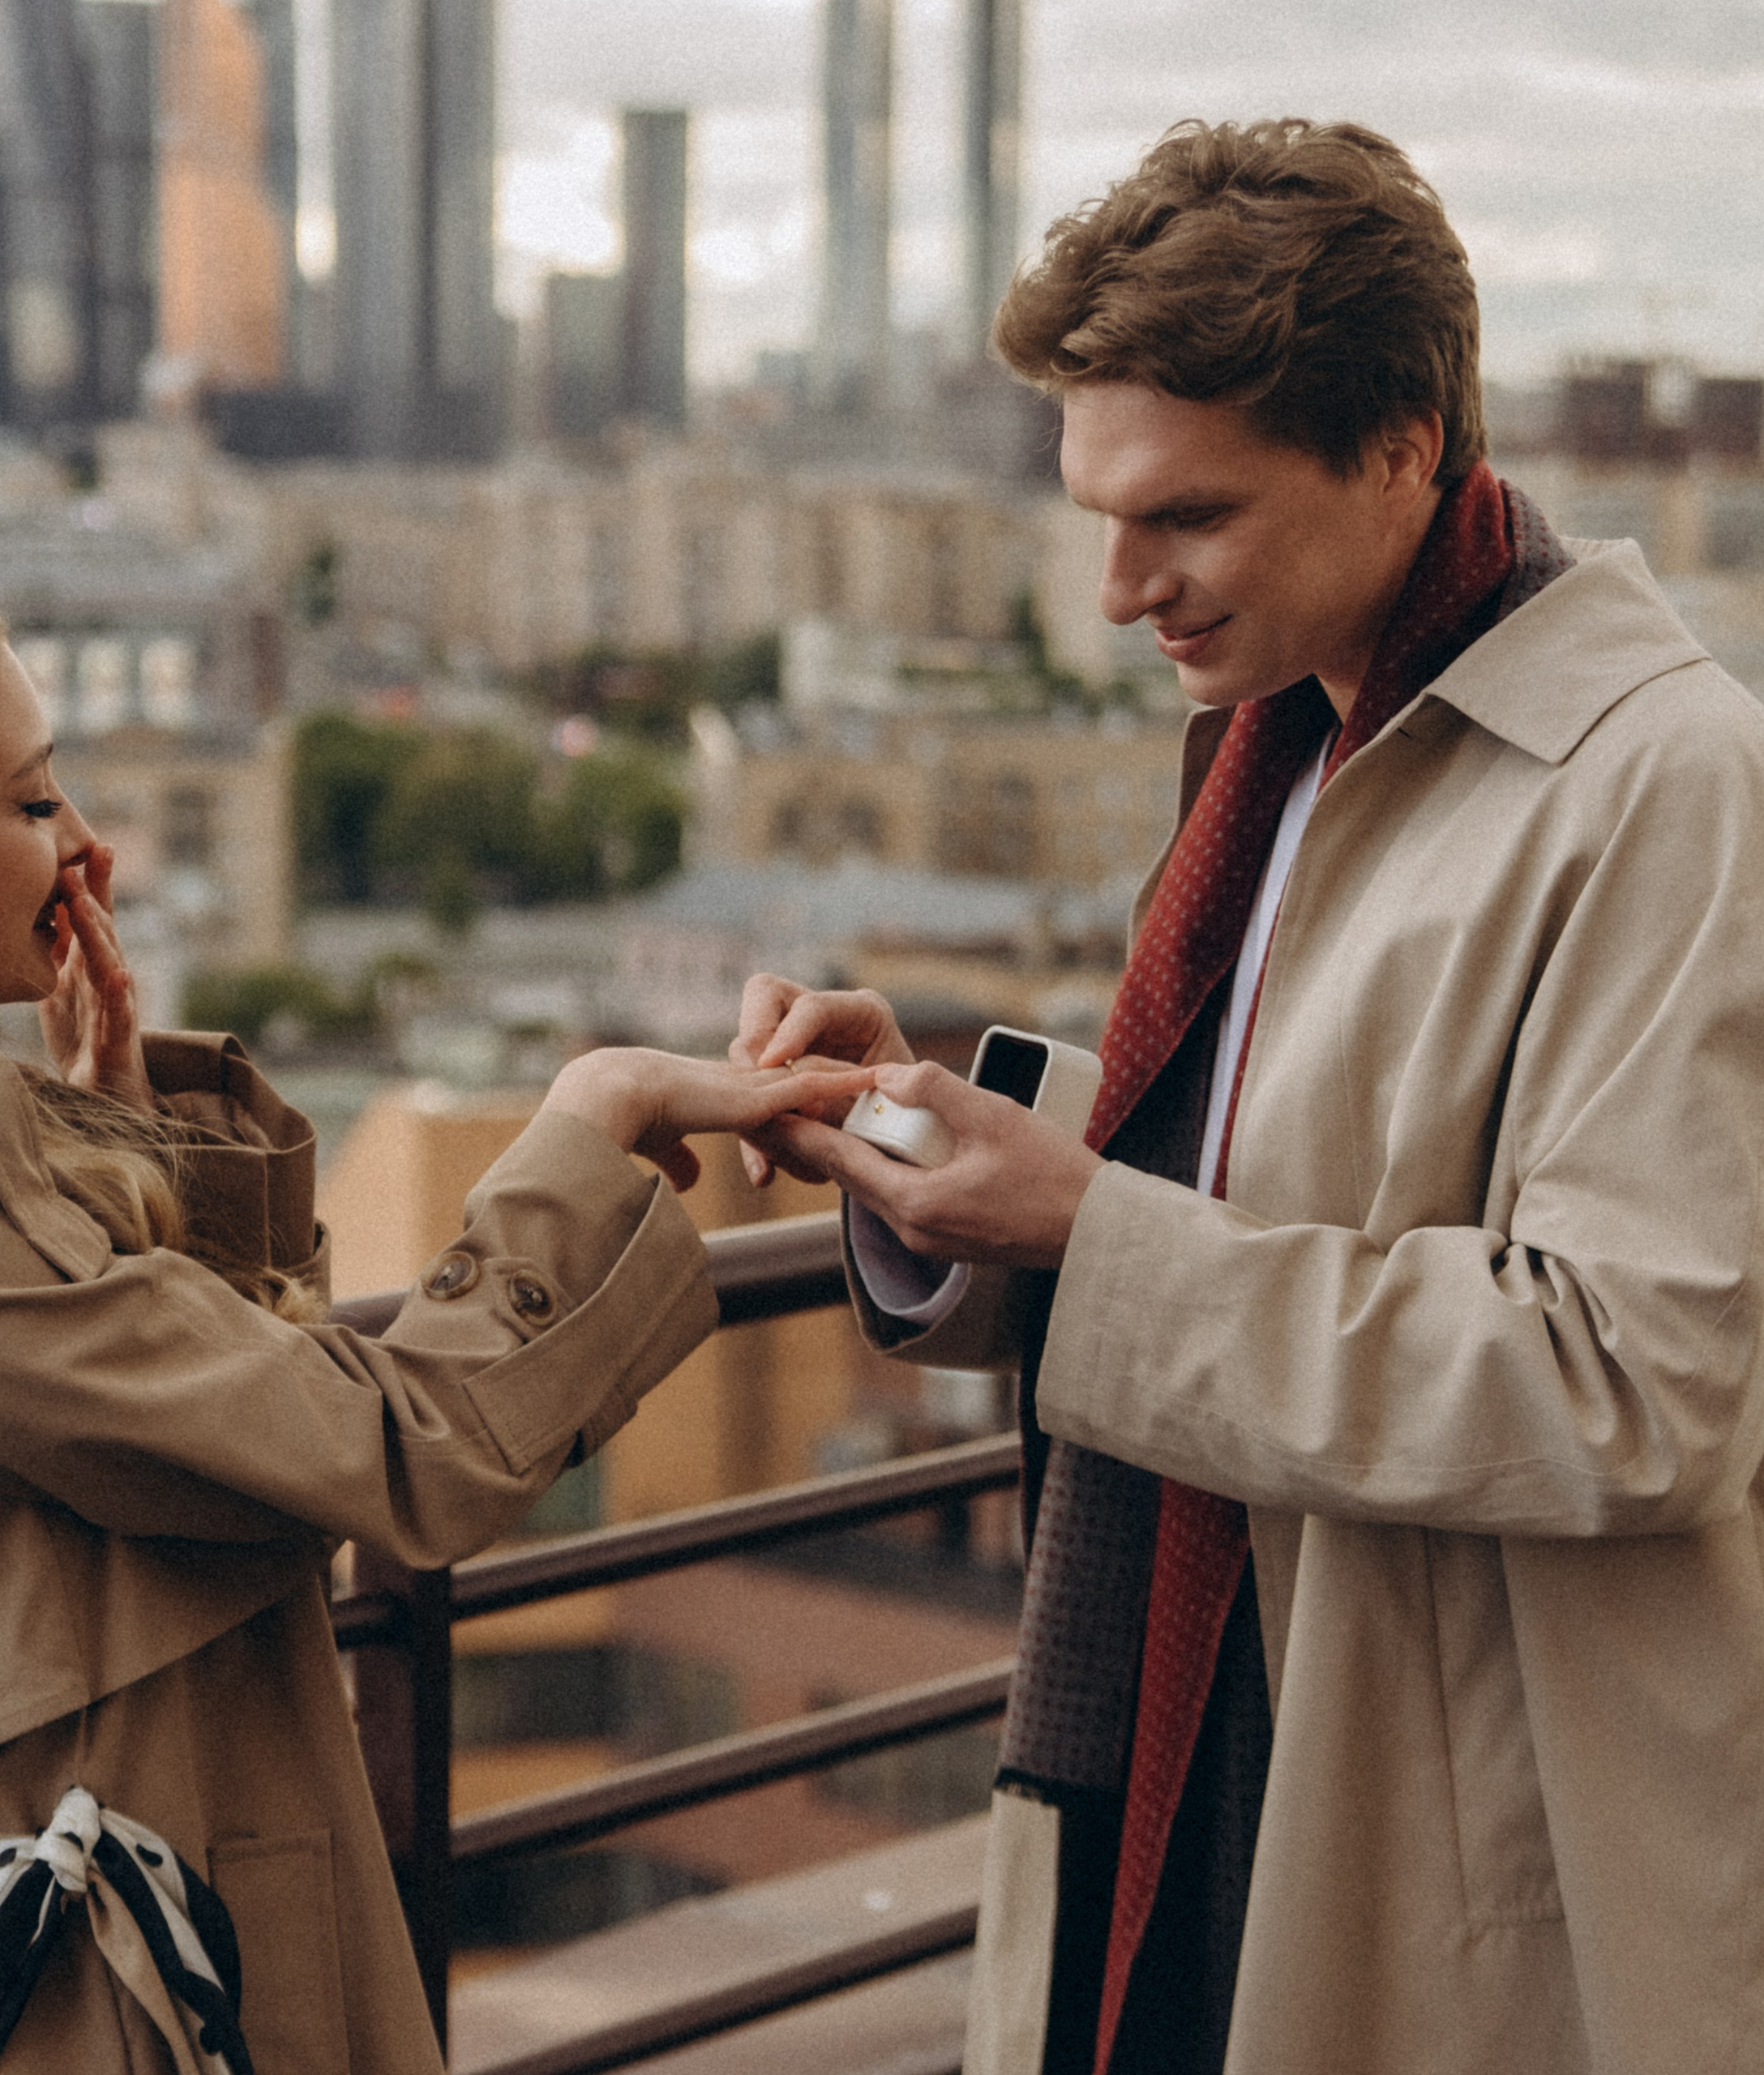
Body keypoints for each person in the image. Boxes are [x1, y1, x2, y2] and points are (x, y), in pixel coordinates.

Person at [734, 118, 1764, 2075]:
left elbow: (1639, 1384)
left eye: (1184, 515)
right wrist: (936, 1134)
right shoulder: (1272, 734)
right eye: (1095, 513)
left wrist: (1082, 1230)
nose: (1121, 586)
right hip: (1203, 1696)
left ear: (1400, 447)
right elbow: (1241, 1166)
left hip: (1416, 1784)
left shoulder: (1661, 783)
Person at [0, 466, 869, 2075]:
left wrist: (124, 1160)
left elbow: (162, 1479)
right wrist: (593, 1120)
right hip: (70, 1995)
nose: (85, 846)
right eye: (32, 803)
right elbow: (389, 1447)